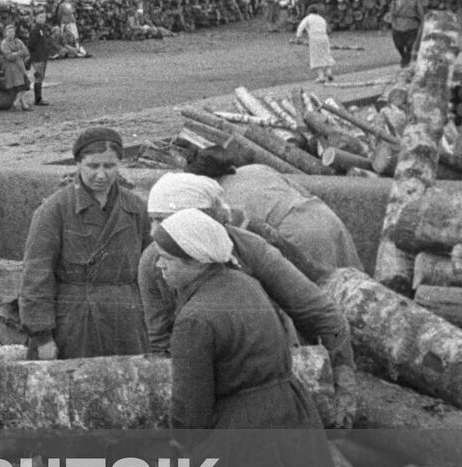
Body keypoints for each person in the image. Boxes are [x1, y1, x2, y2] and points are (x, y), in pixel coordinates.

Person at [148, 210, 344, 467]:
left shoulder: (196, 317)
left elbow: (191, 408)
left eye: (166, 259)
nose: (159, 267)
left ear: (195, 260)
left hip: (240, 437)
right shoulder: (247, 284)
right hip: (289, 417)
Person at [137, 175, 358, 417]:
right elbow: (160, 341)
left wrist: (343, 379)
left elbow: (322, 314)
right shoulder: (154, 263)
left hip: (267, 372)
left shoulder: (251, 250)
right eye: (152, 221)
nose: (155, 232)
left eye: (163, 220)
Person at [20, 126, 149, 362]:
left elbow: (151, 268)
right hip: (74, 322)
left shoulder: (135, 208)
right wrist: (42, 336)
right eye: (93, 166)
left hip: (127, 322)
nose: (101, 175)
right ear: (78, 164)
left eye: (109, 166)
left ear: (120, 164)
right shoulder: (55, 210)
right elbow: (36, 275)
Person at [192, 159, 363, 276]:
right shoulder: (256, 167)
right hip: (323, 215)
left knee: (326, 298)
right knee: (357, 284)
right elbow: (299, 189)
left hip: (298, 235)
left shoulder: (221, 201)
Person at [294, 4, 335, 83]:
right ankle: (329, 72)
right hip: (324, 37)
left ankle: (321, 76)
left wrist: (298, 37)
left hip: (314, 38)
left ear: (309, 11)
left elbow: (301, 27)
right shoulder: (321, 19)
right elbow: (328, 29)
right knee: (326, 54)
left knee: (316, 56)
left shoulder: (308, 18)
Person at [387, 0, 427, 67]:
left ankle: (406, 60)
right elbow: (392, 14)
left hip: (412, 25)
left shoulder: (415, 1)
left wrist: (422, 23)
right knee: (398, 45)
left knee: (410, 45)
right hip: (398, 26)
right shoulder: (395, 2)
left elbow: (421, 14)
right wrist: (393, 24)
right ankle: (404, 57)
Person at [0, 22, 32, 110]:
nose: (11, 34)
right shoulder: (4, 43)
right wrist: (19, 53)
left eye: (12, 32)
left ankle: (17, 103)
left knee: (24, 85)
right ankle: (23, 105)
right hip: (11, 68)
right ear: (5, 33)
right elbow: (8, 56)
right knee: (19, 86)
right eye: (9, 32)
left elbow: (26, 51)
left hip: (20, 67)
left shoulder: (18, 41)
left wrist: (16, 53)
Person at [24, 8, 54, 106]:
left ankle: (38, 98)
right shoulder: (35, 29)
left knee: (40, 76)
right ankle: (38, 99)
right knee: (38, 76)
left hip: (43, 56)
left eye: (44, 17)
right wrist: (34, 56)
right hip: (38, 57)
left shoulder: (41, 28)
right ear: (35, 18)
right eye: (40, 17)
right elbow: (31, 45)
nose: (42, 19)